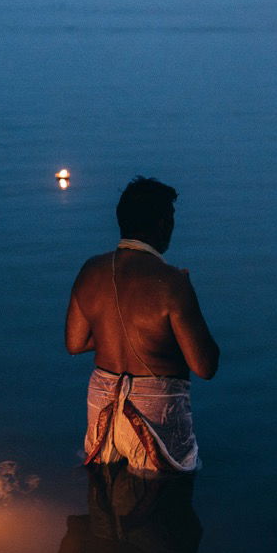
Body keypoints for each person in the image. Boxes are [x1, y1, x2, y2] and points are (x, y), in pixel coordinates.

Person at [65, 176, 219, 473]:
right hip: (157, 407)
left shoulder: (91, 269)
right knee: (168, 505)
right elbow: (205, 366)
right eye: (171, 219)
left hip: (102, 402)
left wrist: (115, 329)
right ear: (162, 224)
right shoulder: (172, 283)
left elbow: (75, 343)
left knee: (105, 499)